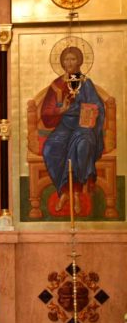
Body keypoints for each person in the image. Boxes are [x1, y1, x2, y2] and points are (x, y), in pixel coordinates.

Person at [41, 46, 105, 214]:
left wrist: (89, 112)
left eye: (73, 59)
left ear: (79, 62)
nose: (69, 63)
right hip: (64, 126)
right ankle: (64, 191)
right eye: (66, 59)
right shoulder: (56, 85)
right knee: (50, 148)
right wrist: (60, 110)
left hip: (83, 126)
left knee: (82, 145)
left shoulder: (86, 83)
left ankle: (75, 192)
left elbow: (98, 106)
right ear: (62, 62)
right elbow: (46, 112)